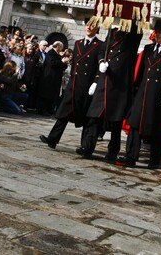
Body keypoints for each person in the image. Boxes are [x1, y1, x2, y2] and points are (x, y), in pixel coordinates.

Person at [119, 20, 161, 169]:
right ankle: (130, 156)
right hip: (144, 92)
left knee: (158, 128)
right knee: (135, 124)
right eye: (157, 31)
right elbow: (141, 72)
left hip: (160, 94)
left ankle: (154, 160)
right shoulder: (148, 49)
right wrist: (135, 91)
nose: (158, 34)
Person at [82, 24, 143, 161]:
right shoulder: (113, 31)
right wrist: (101, 62)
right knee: (94, 117)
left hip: (119, 84)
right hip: (105, 81)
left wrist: (133, 14)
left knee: (115, 121)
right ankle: (88, 147)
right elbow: (102, 49)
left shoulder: (133, 35)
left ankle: (112, 152)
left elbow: (137, 29)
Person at [40, 19, 103, 150]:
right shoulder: (78, 43)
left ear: (97, 28)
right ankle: (53, 139)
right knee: (63, 113)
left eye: (93, 25)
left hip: (87, 86)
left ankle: (86, 147)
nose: (89, 27)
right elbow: (75, 64)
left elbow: (99, 66)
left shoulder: (100, 45)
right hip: (74, 84)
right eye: (88, 24)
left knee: (87, 116)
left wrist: (96, 82)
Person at [39, 40, 69, 115]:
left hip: (56, 78)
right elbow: (52, 63)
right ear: (58, 46)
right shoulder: (51, 53)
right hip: (49, 77)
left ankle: (49, 109)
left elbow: (62, 66)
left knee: (53, 95)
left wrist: (64, 63)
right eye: (61, 47)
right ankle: (43, 109)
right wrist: (62, 62)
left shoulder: (58, 55)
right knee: (46, 94)